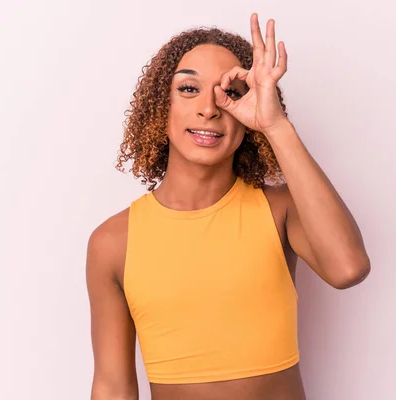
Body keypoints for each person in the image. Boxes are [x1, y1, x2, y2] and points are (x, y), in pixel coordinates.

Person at [86, 13, 371, 400]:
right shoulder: (113, 241)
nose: (209, 109)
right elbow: (113, 385)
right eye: (188, 89)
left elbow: (348, 268)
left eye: (231, 92)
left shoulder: (279, 210)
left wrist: (275, 124)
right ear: (159, 106)